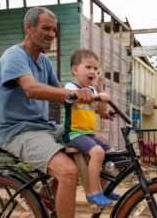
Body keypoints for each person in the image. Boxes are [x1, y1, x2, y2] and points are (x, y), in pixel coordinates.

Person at [0, 7, 97, 218]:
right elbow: (31, 89)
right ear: (29, 28)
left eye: (54, 30)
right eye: (46, 28)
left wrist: (96, 102)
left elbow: (62, 97)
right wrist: (74, 94)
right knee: (68, 171)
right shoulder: (14, 56)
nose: (52, 34)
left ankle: (45, 194)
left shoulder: (45, 62)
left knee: (95, 142)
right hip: (17, 131)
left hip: (44, 128)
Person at [62, 49, 121, 207]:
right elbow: (74, 96)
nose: (93, 72)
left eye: (95, 69)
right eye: (88, 67)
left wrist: (101, 93)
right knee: (97, 152)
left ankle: (106, 188)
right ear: (75, 70)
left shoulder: (93, 90)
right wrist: (93, 94)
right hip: (74, 134)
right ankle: (92, 192)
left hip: (87, 134)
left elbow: (99, 109)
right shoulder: (70, 86)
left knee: (110, 153)